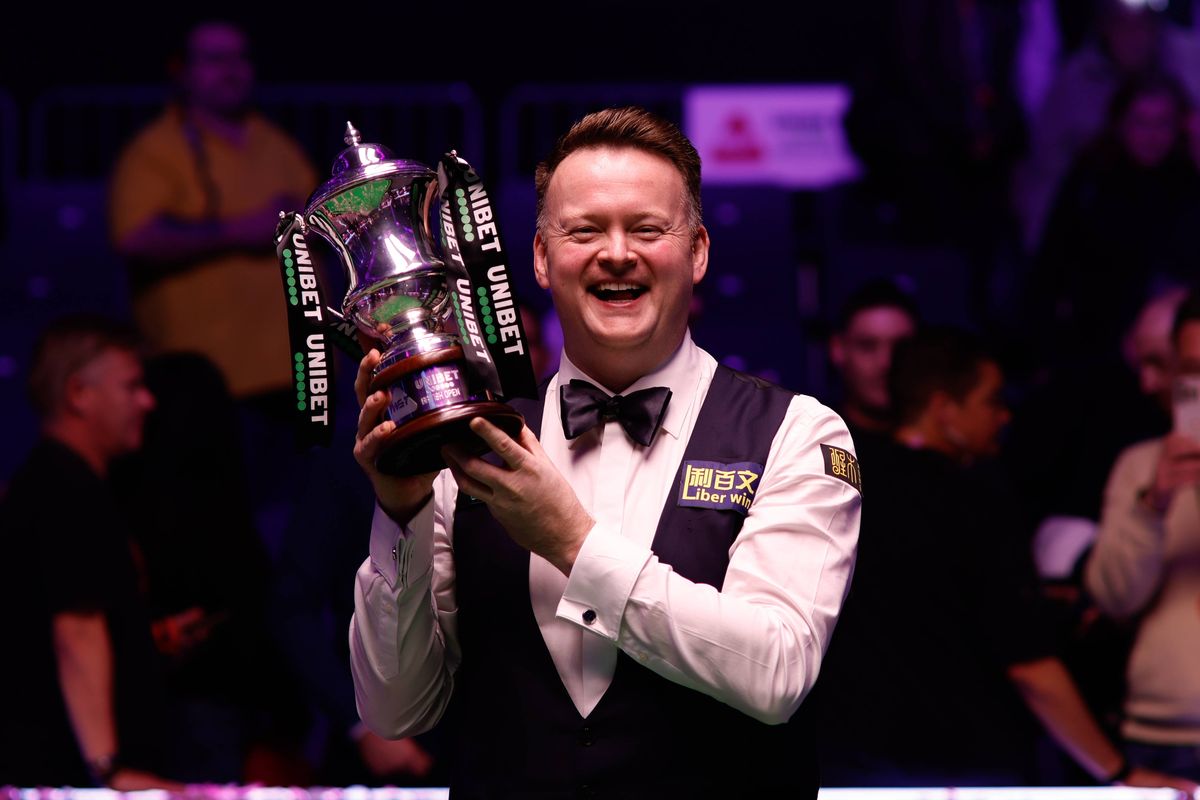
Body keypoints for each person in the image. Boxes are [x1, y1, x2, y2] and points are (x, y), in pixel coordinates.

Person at [348, 106, 862, 797]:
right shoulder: (471, 437)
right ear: (538, 257)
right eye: (584, 230)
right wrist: (401, 512)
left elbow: (775, 674)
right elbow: (395, 709)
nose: (616, 252)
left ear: (699, 252)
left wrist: (570, 542)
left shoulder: (798, 433)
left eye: (647, 229)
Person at [812, 327, 1195, 793]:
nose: (1004, 416)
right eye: (991, 401)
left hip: (855, 765)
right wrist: (1118, 772)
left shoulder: (846, 491)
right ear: (943, 408)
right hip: (966, 769)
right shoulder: (975, 500)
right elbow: (1029, 664)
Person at [107, 19, 319, 552]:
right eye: (214, 59)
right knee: (218, 536)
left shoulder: (276, 145)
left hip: (296, 377)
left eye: (240, 58)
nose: (231, 71)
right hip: (202, 390)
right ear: (182, 72)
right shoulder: (156, 150)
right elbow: (134, 237)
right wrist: (238, 229)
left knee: (298, 535)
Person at [0, 314, 182, 791]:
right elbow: (75, 631)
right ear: (79, 394)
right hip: (71, 776)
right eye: (131, 386)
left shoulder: (54, 483)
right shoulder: (64, 489)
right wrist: (109, 772)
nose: (147, 401)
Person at [1084, 288, 1200, 782]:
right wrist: (1153, 505)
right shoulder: (1140, 466)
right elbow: (1113, 597)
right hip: (1161, 735)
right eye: (1192, 366)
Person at [827, 277, 919, 448]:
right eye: (867, 345)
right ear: (837, 349)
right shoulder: (814, 443)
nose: (886, 362)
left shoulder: (941, 450)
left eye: (901, 348)